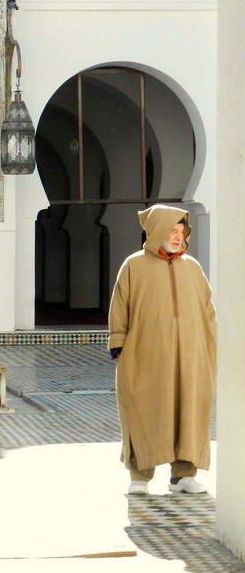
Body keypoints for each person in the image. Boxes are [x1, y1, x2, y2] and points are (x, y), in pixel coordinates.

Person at [108, 205, 216, 495]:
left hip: (190, 359)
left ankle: (184, 475)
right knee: (144, 411)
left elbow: (208, 312)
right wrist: (118, 344)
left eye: (182, 231)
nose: (178, 236)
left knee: (188, 412)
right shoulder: (134, 265)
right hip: (145, 357)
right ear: (155, 230)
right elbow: (120, 308)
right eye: (172, 230)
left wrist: (206, 350)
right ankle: (140, 476)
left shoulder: (193, 268)